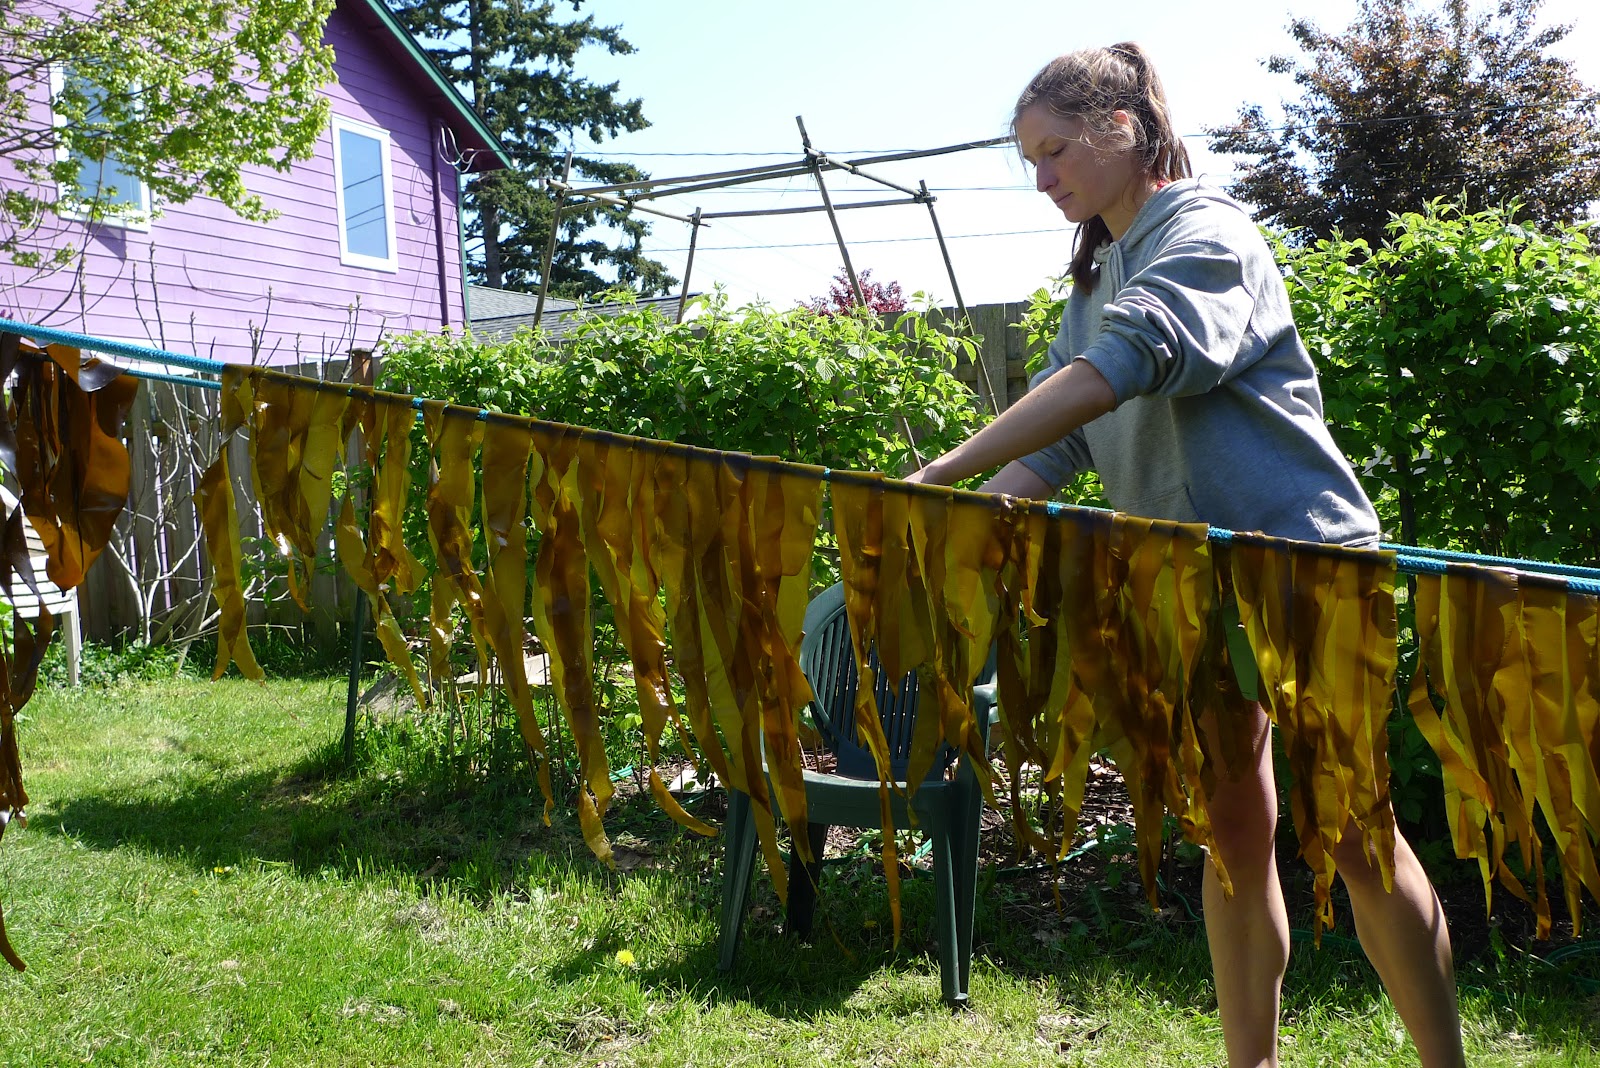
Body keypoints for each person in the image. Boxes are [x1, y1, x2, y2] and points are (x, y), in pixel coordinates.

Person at [905, 42, 1465, 1068]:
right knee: (1233, 835)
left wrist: (944, 468)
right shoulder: (1091, 282)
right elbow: (1065, 446)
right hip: (1189, 584)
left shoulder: (1208, 234)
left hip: (1304, 568)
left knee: (1353, 834)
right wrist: (961, 518)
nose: (1042, 179)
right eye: (1029, 161)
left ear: (1123, 128)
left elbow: (1129, 362)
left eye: (1054, 151)